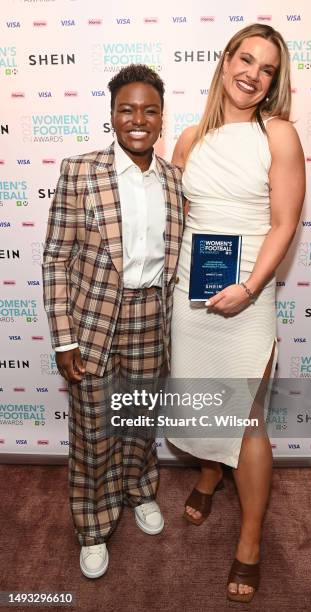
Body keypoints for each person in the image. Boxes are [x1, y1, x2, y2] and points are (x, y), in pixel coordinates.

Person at [168, 24, 305, 603]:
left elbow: (284, 223)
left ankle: (250, 538)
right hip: (191, 295)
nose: (252, 73)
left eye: (266, 68)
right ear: (225, 61)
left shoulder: (279, 135)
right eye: (244, 59)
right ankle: (206, 473)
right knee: (199, 396)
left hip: (248, 295)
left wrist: (250, 288)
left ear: (274, 82)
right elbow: (177, 218)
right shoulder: (190, 137)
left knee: (249, 417)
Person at [42, 64, 184, 579]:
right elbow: (56, 257)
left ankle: (139, 491)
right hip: (94, 321)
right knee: (94, 430)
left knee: (139, 420)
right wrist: (63, 337)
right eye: (127, 109)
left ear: (162, 118)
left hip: (152, 316)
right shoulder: (79, 171)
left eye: (149, 110)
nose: (138, 119)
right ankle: (92, 523)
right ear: (112, 116)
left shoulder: (173, 179)